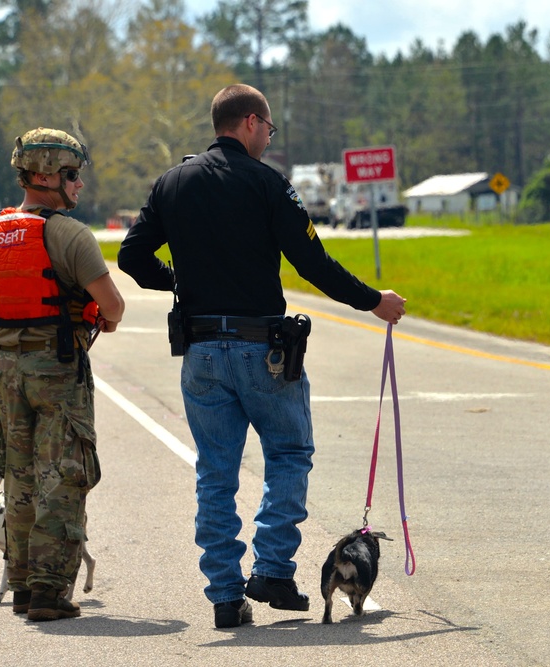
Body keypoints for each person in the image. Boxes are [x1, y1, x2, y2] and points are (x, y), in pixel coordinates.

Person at [116, 84, 406, 628]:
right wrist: (374, 301)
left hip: (200, 350)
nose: (269, 139)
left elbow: (131, 256)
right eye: (269, 130)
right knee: (290, 454)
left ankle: (227, 597)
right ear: (251, 122)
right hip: (263, 349)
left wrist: (180, 281)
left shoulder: (171, 183)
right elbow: (311, 262)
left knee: (216, 475)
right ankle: (272, 569)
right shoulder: (269, 184)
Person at [0, 127, 124, 622]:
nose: (79, 185)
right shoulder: (70, 235)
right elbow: (114, 307)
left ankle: (20, 584)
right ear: (43, 176)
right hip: (59, 373)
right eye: (72, 175)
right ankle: (49, 592)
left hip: (8, 372)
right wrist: (98, 316)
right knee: (63, 476)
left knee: (18, 478)